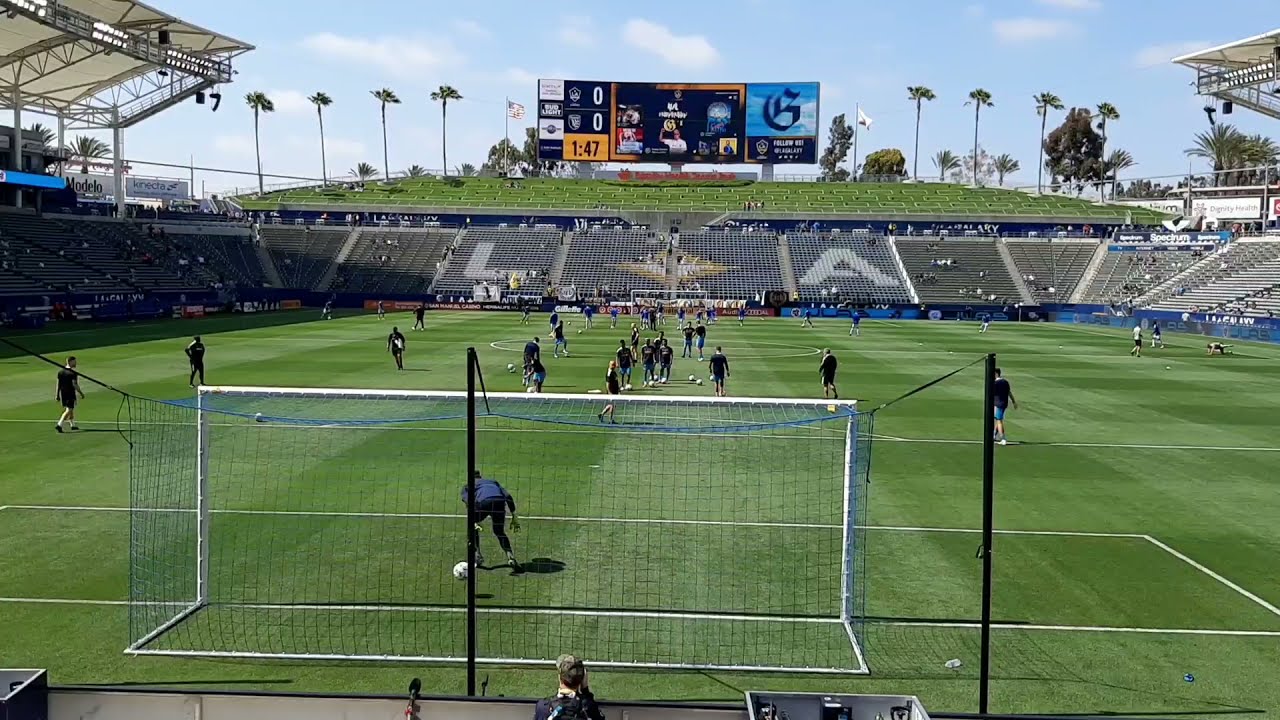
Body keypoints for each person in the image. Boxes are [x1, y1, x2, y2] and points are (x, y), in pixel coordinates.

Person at [460, 471, 520, 569]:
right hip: (499, 502)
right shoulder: (492, 482)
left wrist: (473, 521)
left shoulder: (467, 486)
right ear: (480, 476)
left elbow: (468, 501)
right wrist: (514, 516)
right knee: (499, 531)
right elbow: (508, 496)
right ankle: (510, 556)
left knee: (472, 529)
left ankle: (477, 555)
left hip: (483, 503)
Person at [532, 654, 606, 720]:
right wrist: (585, 691)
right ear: (582, 680)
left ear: (559, 678)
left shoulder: (543, 707)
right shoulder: (588, 707)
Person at [55, 356, 85, 433]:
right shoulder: (73, 373)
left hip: (63, 393)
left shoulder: (60, 372)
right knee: (69, 410)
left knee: (70, 409)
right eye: (74, 361)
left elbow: (58, 384)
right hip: (70, 394)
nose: (76, 363)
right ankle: (59, 424)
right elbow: (75, 384)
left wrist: (57, 394)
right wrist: (81, 393)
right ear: (70, 362)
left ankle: (72, 425)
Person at [992, 367, 1018, 446]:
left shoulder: (995, 383)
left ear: (996, 374)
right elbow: (1009, 392)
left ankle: (1003, 438)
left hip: (998, 404)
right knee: (997, 418)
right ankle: (993, 435)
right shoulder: (1005, 382)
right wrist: (1014, 402)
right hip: (1004, 403)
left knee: (999, 420)